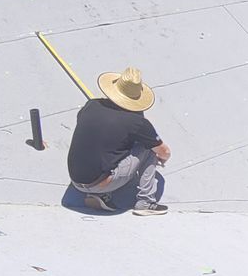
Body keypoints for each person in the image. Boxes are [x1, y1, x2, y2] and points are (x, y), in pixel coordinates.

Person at [67, 67, 172, 215]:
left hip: (76, 180)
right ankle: (146, 202)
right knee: (149, 149)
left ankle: (99, 194)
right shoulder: (137, 123)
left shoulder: (91, 105)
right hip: (100, 183)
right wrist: (161, 158)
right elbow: (164, 151)